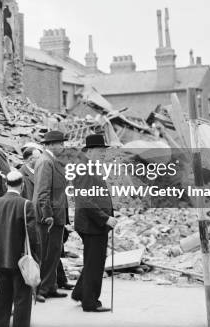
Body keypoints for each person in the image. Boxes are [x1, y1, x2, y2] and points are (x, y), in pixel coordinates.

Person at [0, 170, 40, 327]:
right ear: (22, 186)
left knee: (2, 300)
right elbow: (33, 236)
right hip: (20, 260)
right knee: (22, 299)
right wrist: (36, 257)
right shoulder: (26, 204)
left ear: (6, 184)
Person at [71, 134, 117, 312]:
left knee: (92, 260)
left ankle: (80, 293)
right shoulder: (85, 168)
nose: (103, 154)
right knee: (95, 263)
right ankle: (89, 302)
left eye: (104, 151)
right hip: (92, 225)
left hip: (93, 224)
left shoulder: (89, 166)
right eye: (100, 150)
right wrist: (105, 218)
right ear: (89, 150)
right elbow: (85, 201)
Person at [32, 130, 69, 302]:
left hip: (56, 214)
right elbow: (42, 192)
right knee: (45, 254)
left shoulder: (52, 161)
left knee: (53, 253)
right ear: (50, 145)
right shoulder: (46, 162)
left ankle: (51, 286)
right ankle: (40, 289)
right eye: (60, 143)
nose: (63, 146)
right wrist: (47, 216)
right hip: (48, 217)